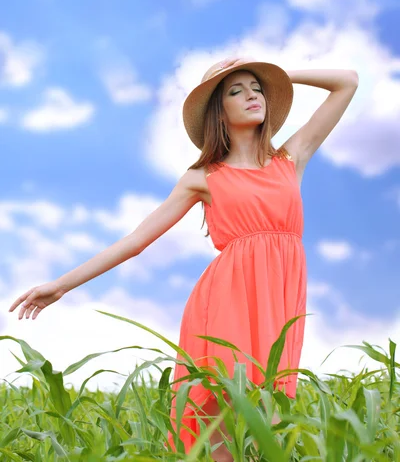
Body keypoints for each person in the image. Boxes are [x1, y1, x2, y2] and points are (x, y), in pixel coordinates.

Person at [8, 57, 359, 461]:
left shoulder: (289, 160)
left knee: (266, 421)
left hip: (279, 299)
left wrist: (278, 73)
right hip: (228, 303)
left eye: (257, 88)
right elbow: (137, 240)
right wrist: (61, 285)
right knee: (226, 414)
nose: (252, 95)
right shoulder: (203, 178)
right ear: (218, 111)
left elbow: (346, 82)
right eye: (235, 90)